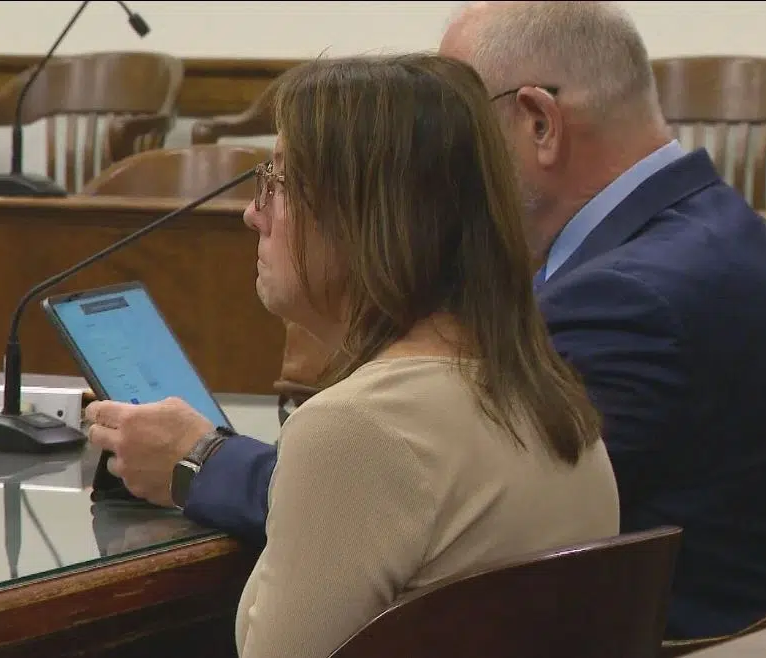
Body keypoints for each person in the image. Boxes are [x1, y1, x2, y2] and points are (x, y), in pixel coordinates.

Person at [85, 0, 766, 641]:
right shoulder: (714, 238)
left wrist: (200, 460)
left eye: (456, 127)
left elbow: (399, 478)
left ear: (538, 122)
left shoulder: (629, 298)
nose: (445, 158)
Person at [85, 53, 621, 658]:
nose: (254, 213)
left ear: (362, 217)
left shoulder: (358, 428)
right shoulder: (552, 401)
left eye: (278, 183)